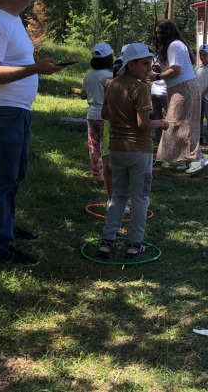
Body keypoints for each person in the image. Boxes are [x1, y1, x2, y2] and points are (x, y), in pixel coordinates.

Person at [0, 0, 66, 266]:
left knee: (14, 175)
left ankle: (6, 227)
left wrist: (38, 69)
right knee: (0, 179)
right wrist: (36, 69)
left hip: (15, 112)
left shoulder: (12, 20)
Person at [97, 43, 169, 259]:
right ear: (131, 64)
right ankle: (135, 244)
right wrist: (162, 123)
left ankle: (107, 241)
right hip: (139, 151)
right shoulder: (141, 89)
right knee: (140, 198)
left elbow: (105, 114)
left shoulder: (112, 85)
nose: (150, 68)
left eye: (151, 63)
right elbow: (144, 125)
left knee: (119, 195)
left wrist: (122, 114)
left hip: (117, 149)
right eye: (145, 64)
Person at [151, 19, 208, 175]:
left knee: (182, 123)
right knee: (176, 123)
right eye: (156, 33)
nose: (158, 36)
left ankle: (197, 158)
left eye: (160, 33)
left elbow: (176, 70)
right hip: (180, 87)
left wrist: (156, 76)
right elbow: (172, 68)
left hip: (185, 87)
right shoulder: (175, 45)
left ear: (168, 33)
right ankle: (179, 160)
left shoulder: (175, 45)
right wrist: (161, 68)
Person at [80, 43, 113, 194]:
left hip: (91, 114)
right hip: (105, 115)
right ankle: (107, 171)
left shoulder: (88, 75)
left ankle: (95, 172)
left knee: (93, 145)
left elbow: (84, 95)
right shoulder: (109, 76)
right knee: (106, 147)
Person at [149, 55, 168, 145]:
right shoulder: (155, 58)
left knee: (166, 116)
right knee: (160, 116)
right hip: (158, 91)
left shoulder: (166, 58)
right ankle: (160, 139)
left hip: (164, 91)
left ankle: (165, 139)